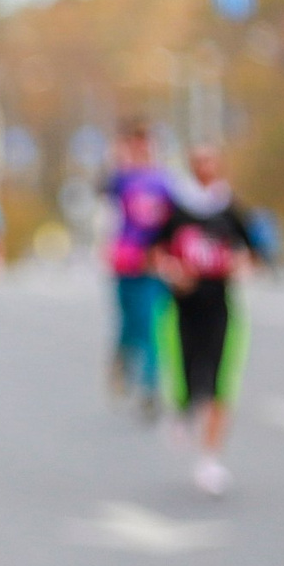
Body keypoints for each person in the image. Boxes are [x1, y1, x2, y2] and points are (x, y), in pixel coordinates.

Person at [150, 145, 268, 496]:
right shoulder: (177, 208)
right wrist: (173, 271)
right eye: (200, 161)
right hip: (182, 306)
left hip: (220, 305)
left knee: (219, 383)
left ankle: (210, 460)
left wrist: (240, 265)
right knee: (185, 376)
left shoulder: (230, 209)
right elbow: (156, 251)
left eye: (213, 161)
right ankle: (182, 408)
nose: (206, 167)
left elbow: (254, 252)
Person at [102, 122, 171, 414]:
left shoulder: (166, 182)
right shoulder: (122, 180)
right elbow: (104, 191)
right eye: (135, 144)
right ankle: (122, 356)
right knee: (130, 323)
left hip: (155, 265)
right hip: (126, 263)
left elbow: (177, 220)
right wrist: (118, 158)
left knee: (152, 326)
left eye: (145, 144)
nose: (141, 150)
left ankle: (150, 387)